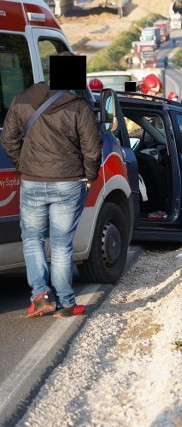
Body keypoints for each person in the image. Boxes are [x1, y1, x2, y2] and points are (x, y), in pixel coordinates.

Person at [1, 71, 102, 319]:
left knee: (32, 239)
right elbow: (92, 148)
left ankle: (40, 296)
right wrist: (89, 176)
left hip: (32, 182)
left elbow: (8, 139)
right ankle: (66, 303)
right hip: (68, 183)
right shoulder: (79, 107)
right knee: (60, 244)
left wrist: (23, 165)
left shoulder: (21, 100)